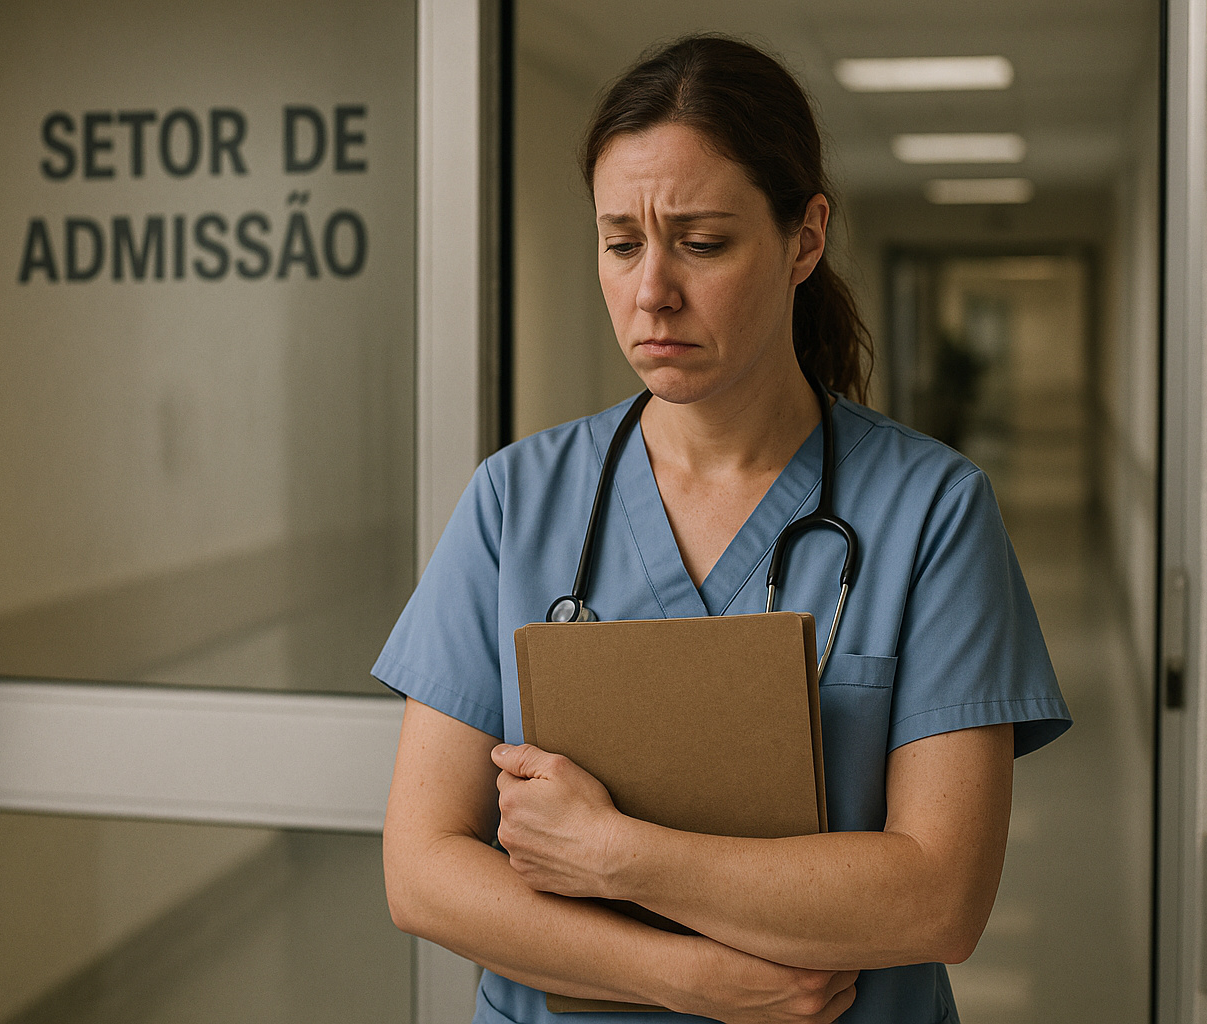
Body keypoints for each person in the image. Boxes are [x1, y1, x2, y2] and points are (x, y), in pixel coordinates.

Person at [374, 34, 1070, 1024]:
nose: (652, 289)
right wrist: (695, 979)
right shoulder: (515, 500)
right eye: (622, 242)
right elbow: (423, 871)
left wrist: (613, 852)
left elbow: (938, 897)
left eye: (701, 242)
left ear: (805, 237)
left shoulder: (931, 511)